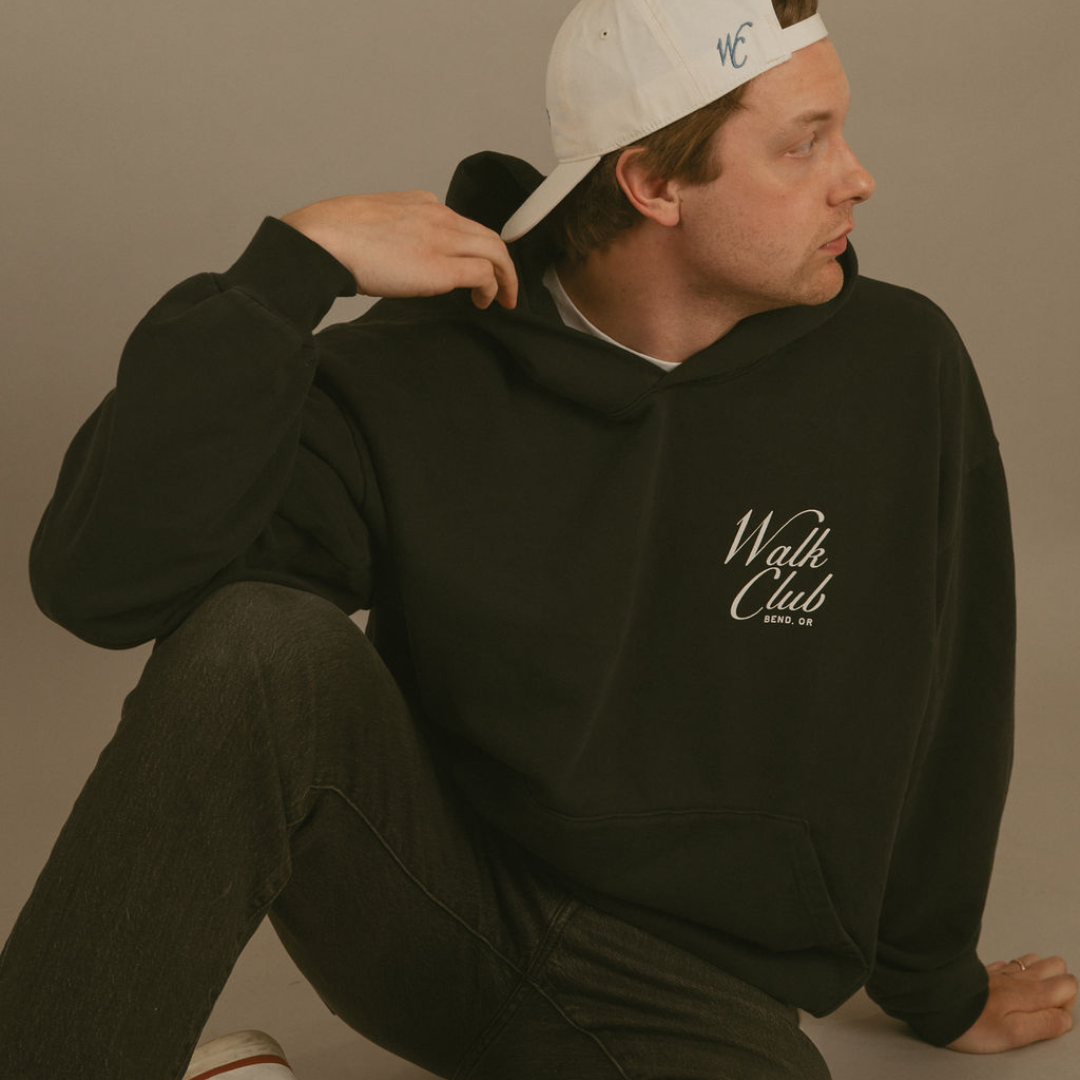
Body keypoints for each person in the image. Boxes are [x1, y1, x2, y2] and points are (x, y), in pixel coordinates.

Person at [1, 0, 1075, 1076]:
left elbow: (955, 676)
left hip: (684, 988)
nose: (857, 177)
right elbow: (107, 587)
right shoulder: (419, 369)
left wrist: (935, 980)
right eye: (804, 143)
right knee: (257, 637)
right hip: (428, 913)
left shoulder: (898, 366)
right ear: (653, 182)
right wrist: (285, 274)